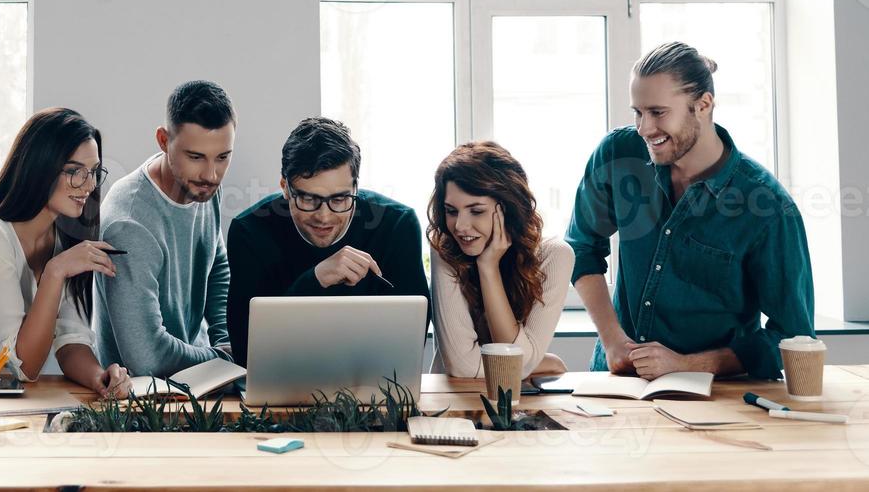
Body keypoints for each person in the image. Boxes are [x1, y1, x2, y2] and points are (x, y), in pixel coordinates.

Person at [566, 42, 815, 380]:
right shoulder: (618, 154)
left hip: (717, 397)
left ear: (703, 105)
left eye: (657, 112)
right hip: (617, 384)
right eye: (637, 112)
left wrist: (688, 365)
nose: (644, 129)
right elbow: (581, 247)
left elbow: (793, 338)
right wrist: (612, 340)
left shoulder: (766, 206)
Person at [0, 108, 130, 397]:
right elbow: (24, 367)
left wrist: (99, 377)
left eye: (93, 173)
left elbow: (71, 338)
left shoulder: (63, 240)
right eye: (75, 172)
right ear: (39, 168)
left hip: (10, 402)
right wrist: (54, 272)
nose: (89, 186)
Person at [226, 117, 430, 365]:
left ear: (356, 188)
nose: (324, 216)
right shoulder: (249, 232)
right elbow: (246, 352)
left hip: (372, 387)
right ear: (285, 188)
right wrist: (316, 279)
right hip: (280, 391)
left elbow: (409, 341)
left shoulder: (397, 226)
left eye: (340, 199)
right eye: (309, 199)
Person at [93, 80, 234, 379]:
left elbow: (216, 265)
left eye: (222, 157)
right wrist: (223, 359)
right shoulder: (129, 225)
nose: (211, 174)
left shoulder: (203, 187)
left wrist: (226, 341)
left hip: (199, 378)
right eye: (195, 157)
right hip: (139, 400)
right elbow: (147, 357)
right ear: (163, 140)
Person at [426, 141, 571, 379]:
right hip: (454, 403)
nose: (460, 226)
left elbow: (518, 363)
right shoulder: (445, 248)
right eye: (451, 211)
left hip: (519, 404)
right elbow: (463, 367)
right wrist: (541, 363)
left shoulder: (555, 256)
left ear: (508, 209)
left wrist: (488, 267)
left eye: (476, 211)